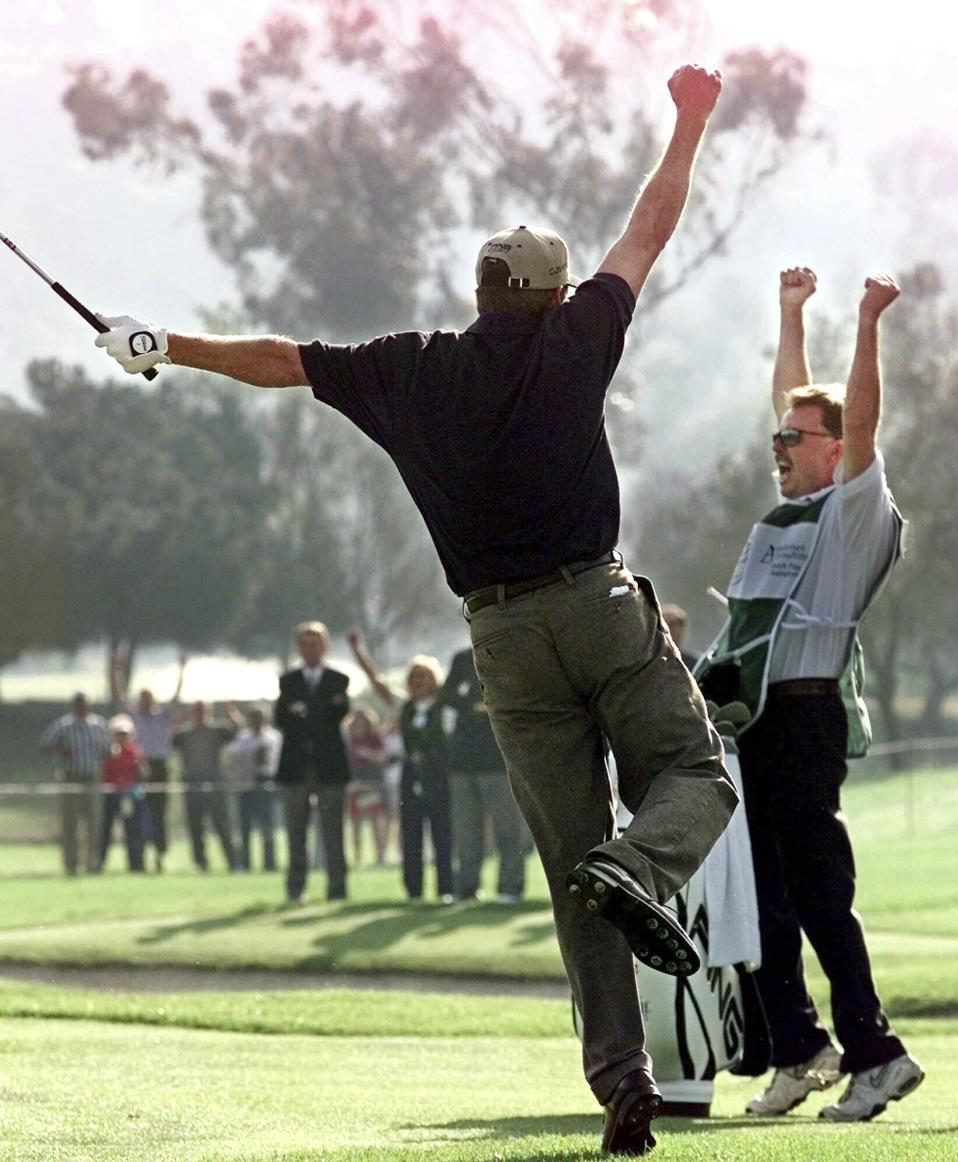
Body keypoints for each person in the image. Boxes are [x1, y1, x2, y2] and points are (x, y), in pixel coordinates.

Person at [95, 64, 738, 1155]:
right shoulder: (578, 338)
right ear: (546, 296)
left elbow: (280, 359)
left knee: (567, 858)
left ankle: (621, 1080)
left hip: (499, 641)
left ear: (482, 292)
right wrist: (689, 119)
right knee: (698, 775)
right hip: (598, 608)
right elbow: (652, 223)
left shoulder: (409, 369)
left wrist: (165, 346)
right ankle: (643, 867)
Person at [695, 267, 923, 1122]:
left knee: (820, 892)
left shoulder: (853, 511)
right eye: (779, 439)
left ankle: (877, 1054)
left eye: (797, 439)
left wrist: (866, 322)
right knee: (764, 896)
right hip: (753, 721)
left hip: (803, 713)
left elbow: (858, 415)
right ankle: (800, 1048)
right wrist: (789, 312)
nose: (780, 447)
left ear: (836, 451)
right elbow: (793, 401)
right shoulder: (786, 512)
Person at [349, 633, 455, 902]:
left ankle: (446, 888)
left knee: (442, 831)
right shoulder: (404, 707)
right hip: (411, 773)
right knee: (410, 832)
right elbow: (378, 684)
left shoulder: (445, 707)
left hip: (438, 773)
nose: (419, 682)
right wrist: (358, 651)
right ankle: (414, 890)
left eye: (424, 676)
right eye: (414, 677)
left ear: (434, 679)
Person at [439, 645, 528, 903]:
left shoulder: (510, 653)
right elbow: (445, 695)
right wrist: (475, 703)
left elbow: (516, 695)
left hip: (499, 760)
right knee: (466, 830)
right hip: (463, 761)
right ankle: (467, 887)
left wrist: (485, 703)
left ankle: (510, 887)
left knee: (507, 829)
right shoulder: (462, 659)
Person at [275, 622, 351, 903]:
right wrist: (317, 711)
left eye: (315, 643)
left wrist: (305, 712)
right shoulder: (289, 681)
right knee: (296, 834)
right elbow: (282, 719)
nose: (310, 649)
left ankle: (337, 888)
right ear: (298, 648)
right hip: (296, 768)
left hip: (329, 768)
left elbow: (337, 713)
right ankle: (296, 889)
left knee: (333, 832)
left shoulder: (338, 679)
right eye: (304, 644)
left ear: (325, 646)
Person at [111, 648, 187, 872]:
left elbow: (176, 696)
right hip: (138, 766)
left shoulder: (161, 715)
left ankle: (160, 853)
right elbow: (119, 696)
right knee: (137, 812)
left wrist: (182, 670)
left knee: (159, 813)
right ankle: (139, 857)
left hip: (159, 765)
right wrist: (117, 669)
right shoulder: (133, 716)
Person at [39, 693, 111, 875]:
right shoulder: (64, 725)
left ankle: (92, 864)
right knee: (70, 824)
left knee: (93, 823)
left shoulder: (98, 725)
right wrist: (60, 749)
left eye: (84, 704)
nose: (81, 707)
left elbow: (107, 750)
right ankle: (71, 865)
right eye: (78, 704)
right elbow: (45, 744)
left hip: (92, 778)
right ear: (73, 706)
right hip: (70, 777)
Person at [172, 700, 242, 871]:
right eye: (197, 711)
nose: (200, 714)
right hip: (193, 784)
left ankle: (233, 862)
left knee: (222, 825)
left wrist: (231, 711)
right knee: (196, 826)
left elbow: (237, 729)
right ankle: (201, 863)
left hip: (215, 784)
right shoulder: (184, 733)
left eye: (203, 711)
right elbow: (171, 742)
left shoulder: (217, 730)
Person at [225, 705, 281, 872]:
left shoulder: (273, 736)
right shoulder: (242, 737)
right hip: (245, 784)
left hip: (265, 782)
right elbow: (237, 758)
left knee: (267, 826)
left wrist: (253, 758)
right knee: (244, 827)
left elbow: (267, 760)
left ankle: (270, 864)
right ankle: (245, 864)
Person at [98, 714, 149, 872]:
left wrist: (138, 762)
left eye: (124, 734)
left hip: (130, 797)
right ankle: (99, 864)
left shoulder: (135, 751)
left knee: (133, 832)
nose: (121, 737)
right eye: (118, 734)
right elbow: (101, 774)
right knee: (105, 831)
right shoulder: (107, 752)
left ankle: (136, 866)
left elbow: (144, 774)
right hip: (110, 796)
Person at [343, 708, 390, 866]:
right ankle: (357, 857)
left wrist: (367, 753)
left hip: (373, 784)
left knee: (376, 820)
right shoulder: (348, 739)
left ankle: (380, 856)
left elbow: (383, 757)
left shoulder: (375, 738)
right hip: (355, 785)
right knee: (355, 821)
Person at [660, 604, 699, 671]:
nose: (667, 629)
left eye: (672, 624)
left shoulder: (695, 663)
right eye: (664, 623)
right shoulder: (647, 660)